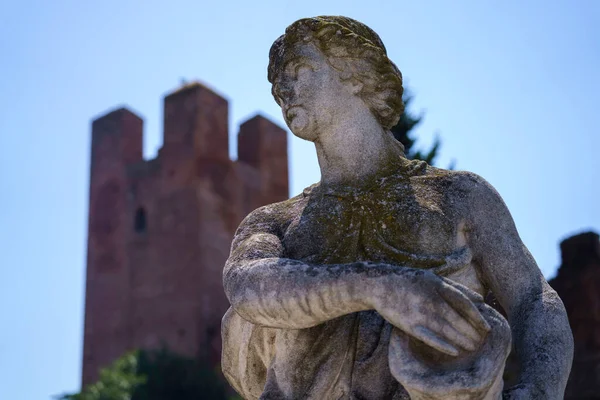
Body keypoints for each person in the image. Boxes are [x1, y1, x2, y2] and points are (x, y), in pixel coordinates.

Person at [221, 16, 573, 399]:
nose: (285, 90)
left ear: (356, 74)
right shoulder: (276, 221)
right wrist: (381, 287)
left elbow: (533, 300)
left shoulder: (459, 196)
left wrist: (537, 390)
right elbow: (246, 284)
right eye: (277, 85)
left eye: (301, 70)